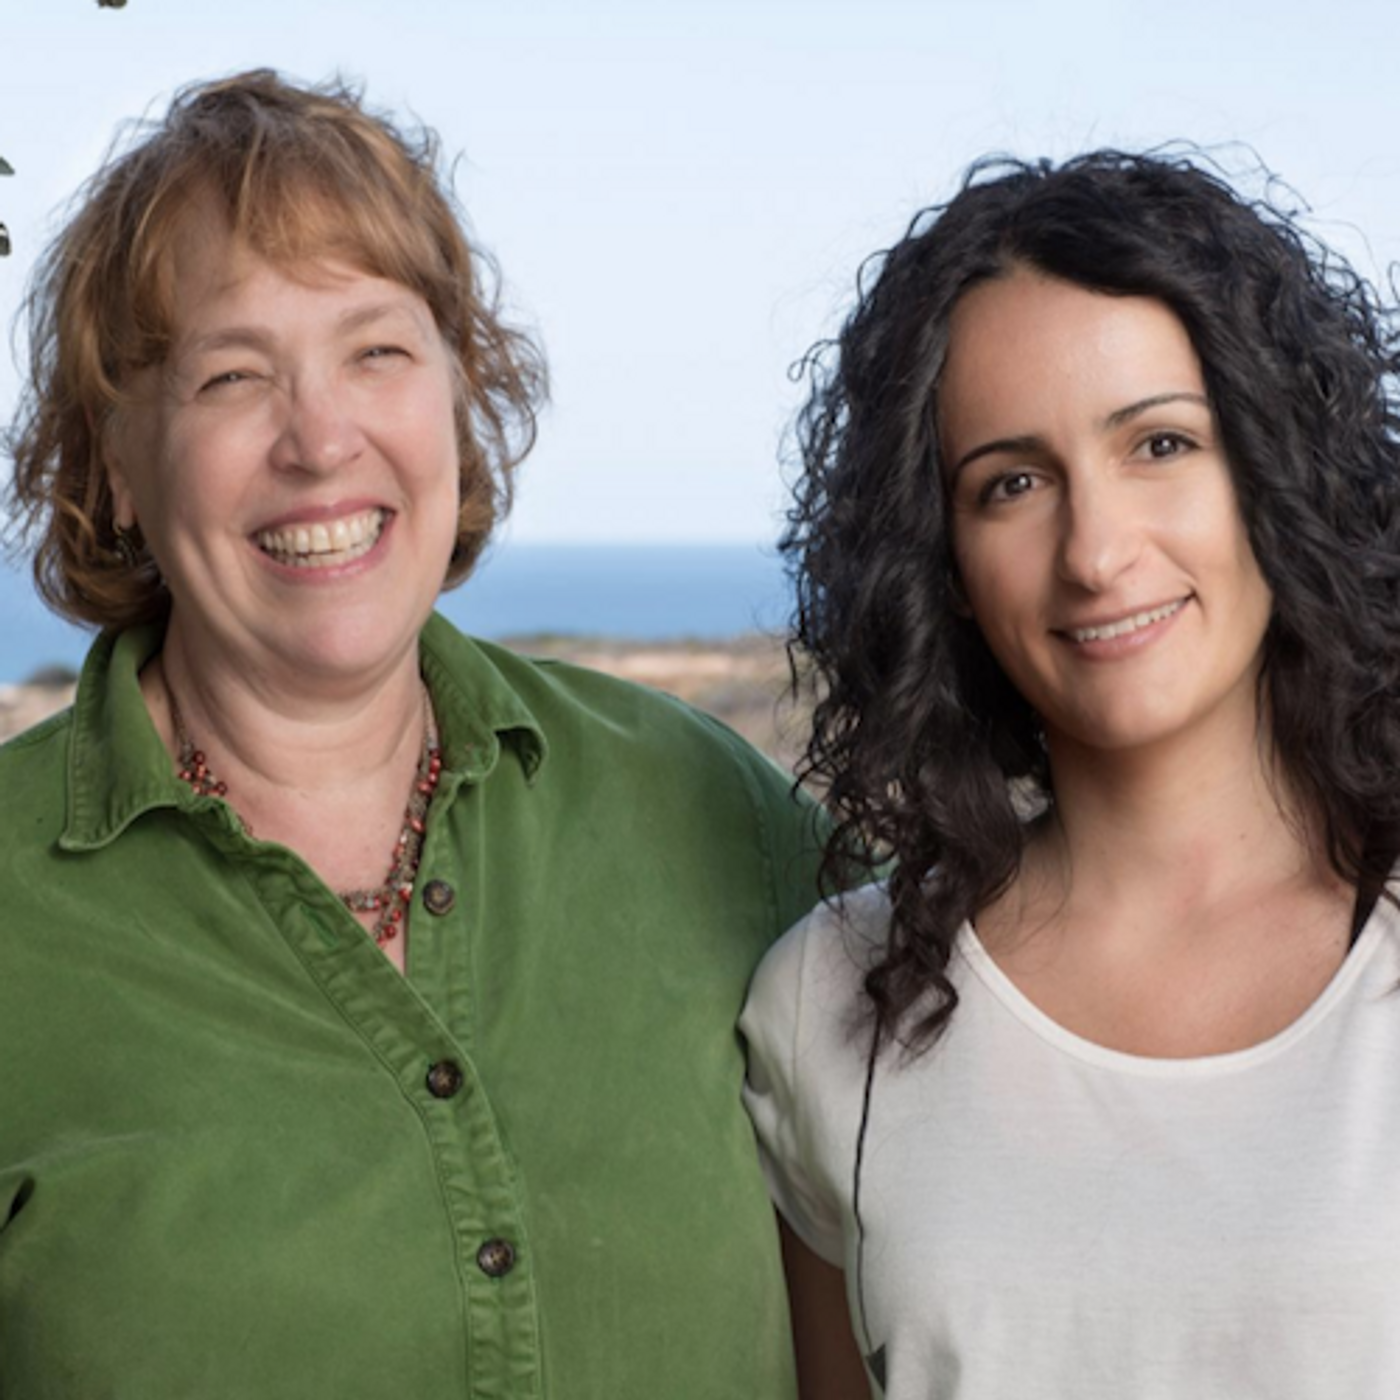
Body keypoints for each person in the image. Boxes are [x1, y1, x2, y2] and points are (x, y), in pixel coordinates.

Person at [0, 70, 824, 1397]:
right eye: (230, 374)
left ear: (460, 394)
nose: (321, 440)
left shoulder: (705, 808)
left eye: (377, 352)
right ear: (113, 462)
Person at [740, 150, 1400, 1399]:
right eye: (1012, 483)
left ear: (1275, 465)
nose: (1094, 552)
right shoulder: (829, 1003)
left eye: (1158, 442)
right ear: (940, 562)